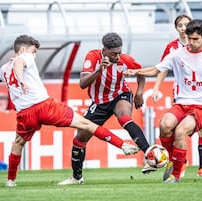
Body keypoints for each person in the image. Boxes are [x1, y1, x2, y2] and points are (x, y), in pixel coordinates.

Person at [0, 35, 139, 187]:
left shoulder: (4, 69)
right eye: (33, 51)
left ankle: (10, 180)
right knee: (86, 124)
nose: (34, 55)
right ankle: (122, 145)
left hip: (25, 114)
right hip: (44, 106)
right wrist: (22, 81)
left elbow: (0, 76)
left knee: (18, 143)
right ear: (23, 49)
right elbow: (19, 63)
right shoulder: (25, 57)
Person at [126, 19, 202, 183]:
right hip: (182, 102)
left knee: (180, 131)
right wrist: (135, 71)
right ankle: (173, 160)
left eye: (195, 39)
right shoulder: (178, 53)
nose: (191, 43)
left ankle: (176, 175)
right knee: (165, 124)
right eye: (189, 39)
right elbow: (157, 69)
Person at [58, 32, 152, 185]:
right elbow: (82, 83)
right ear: (105, 50)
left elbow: (140, 72)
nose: (118, 56)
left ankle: (150, 156)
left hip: (120, 95)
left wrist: (140, 92)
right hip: (99, 102)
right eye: (114, 53)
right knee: (80, 138)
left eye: (119, 52)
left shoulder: (125, 60)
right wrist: (99, 70)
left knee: (124, 117)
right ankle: (77, 177)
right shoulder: (93, 57)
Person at [160, 14, 202, 178]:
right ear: (176, 28)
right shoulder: (172, 48)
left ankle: (201, 168)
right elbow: (162, 68)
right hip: (181, 95)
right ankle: (179, 162)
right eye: (180, 25)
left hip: (201, 96)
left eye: (186, 24)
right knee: (176, 130)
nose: (183, 28)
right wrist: (156, 87)